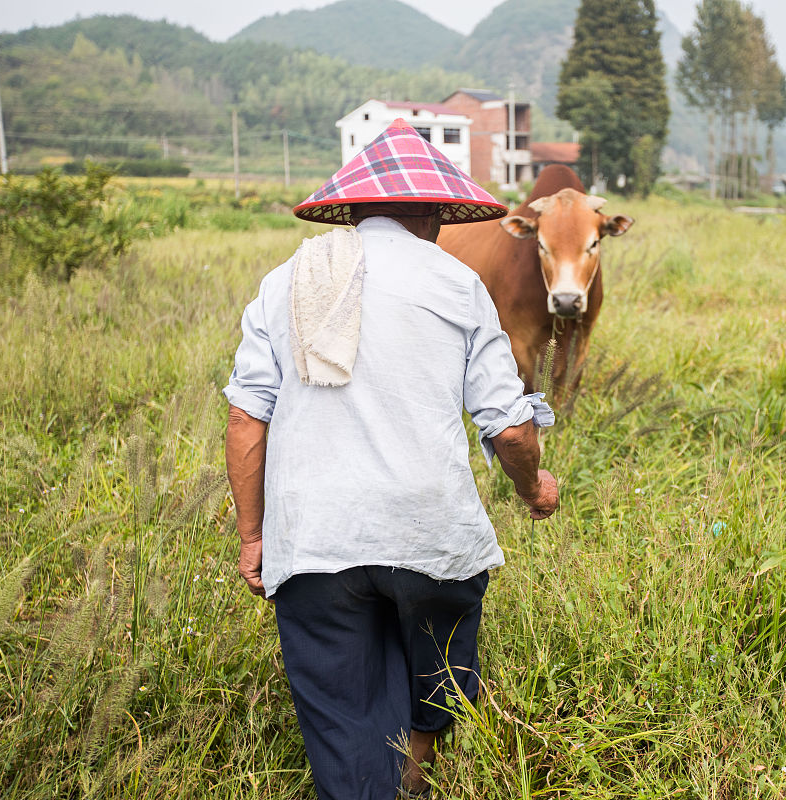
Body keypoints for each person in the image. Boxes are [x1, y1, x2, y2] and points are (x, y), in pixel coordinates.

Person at [223, 119, 559, 800]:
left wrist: (255, 537)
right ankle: (418, 772)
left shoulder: (284, 281)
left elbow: (244, 418)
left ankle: (367, 784)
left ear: (352, 210)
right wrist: (534, 487)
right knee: (436, 661)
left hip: (315, 539)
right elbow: (511, 429)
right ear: (433, 213)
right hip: (427, 534)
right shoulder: (457, 284)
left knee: (344, 710)